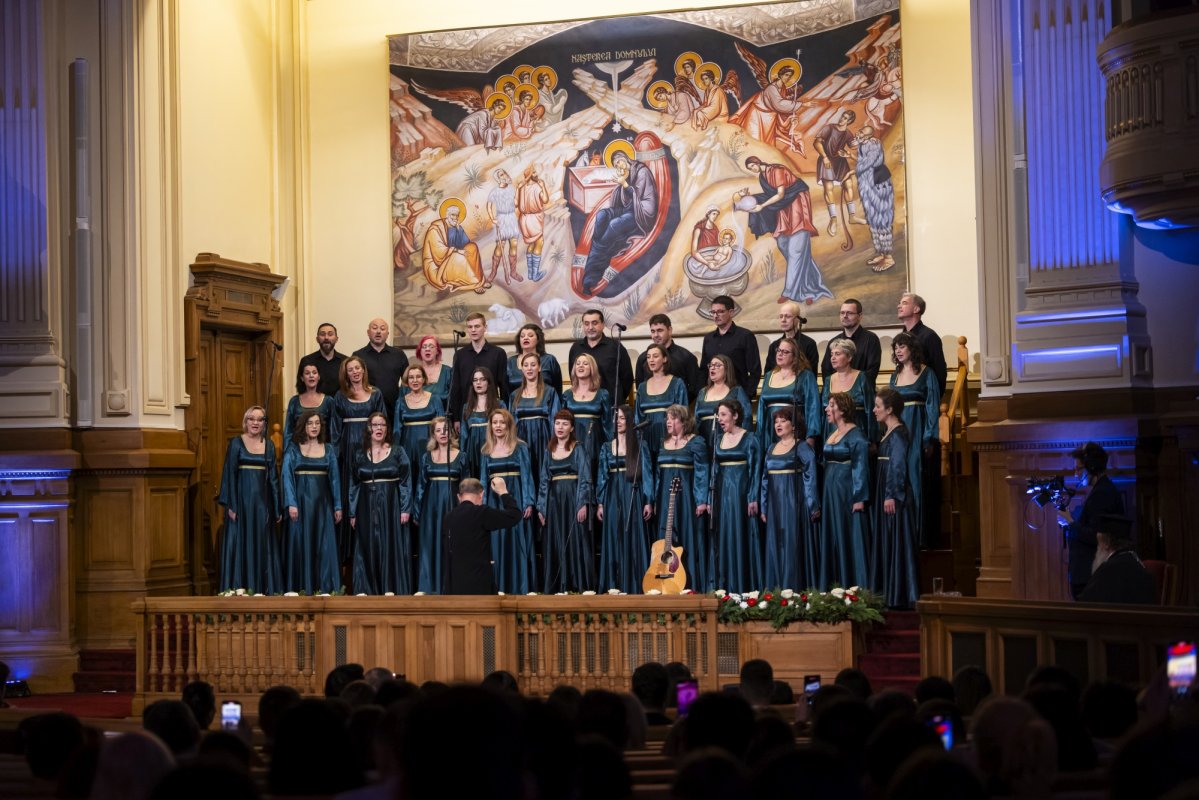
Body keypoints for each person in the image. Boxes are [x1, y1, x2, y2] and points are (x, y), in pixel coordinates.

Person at [738, 156, 831, 305]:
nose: (752, 169)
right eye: (750, 169)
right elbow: (770, 196)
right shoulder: (763, 176)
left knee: (796, 251)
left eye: (752, 166)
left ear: (758, 162)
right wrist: (749, 198)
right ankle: (811, 288)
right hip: (783, 208)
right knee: (786, 246)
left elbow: (780, 194)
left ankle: (790, 292)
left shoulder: (777, 170)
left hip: (796, 205)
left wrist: (762, 206)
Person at [646, 405, 712, 592]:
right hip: (666, 500)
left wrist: (701, 500)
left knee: (687, 539)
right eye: (667, 418)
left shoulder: (696, 442)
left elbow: (702, 471)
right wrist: (655, 500)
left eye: (673, 418)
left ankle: (690, 584)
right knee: (666, 542)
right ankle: (665, 584)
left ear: (684, 421)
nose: (668, 421)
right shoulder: (662, 443)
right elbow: (658, 475)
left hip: (688, 501)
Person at [218, 405, 282, 593]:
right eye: (252, 419)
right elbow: (229, 474)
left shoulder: (269, 445)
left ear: (264, 423)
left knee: (263, 546)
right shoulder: (236, 443)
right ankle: (240, 591)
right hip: (241, 506)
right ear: (245, 422)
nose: (256, 423)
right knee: (241, 546)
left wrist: (277, 507)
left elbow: (274, 480)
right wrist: (231, 504)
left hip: (263, 506)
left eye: (260, 419)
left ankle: (264, 590)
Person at [348, 411, 413, 595]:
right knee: (367, 544)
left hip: (391, 505)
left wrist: (405, 508)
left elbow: (406, 481)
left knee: (389, 544)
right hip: (365, 505)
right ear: (369, 428)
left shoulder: (398, 452)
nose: (378, 428)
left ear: (387, 429)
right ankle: (366, 588)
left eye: (382, 425)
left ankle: (390, 587)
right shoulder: (360, 454)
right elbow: (353, 483)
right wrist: (352, 512)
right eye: (375, 425)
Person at [330, 356, 386, 567]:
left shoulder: (376, 393)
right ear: (345, 373)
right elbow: (335, 429)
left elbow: (382, 422)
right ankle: (349, 552)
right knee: (349, 495)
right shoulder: (340, 396)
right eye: (350, 369)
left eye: (357, 368)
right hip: (347, 451)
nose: (354, 372)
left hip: (370, 448)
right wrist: (336, 457)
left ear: (363, 370)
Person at [580, 150, 658, 296]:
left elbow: (639, 197)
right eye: (616, 165)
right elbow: (623, 200)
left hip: (641, 213)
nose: (619, 166)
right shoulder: (625, 173)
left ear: (627, 159)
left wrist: (625, 184)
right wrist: (622, 185)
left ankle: (590, 279)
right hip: (628, 209)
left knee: (613, 225)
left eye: (620, 162)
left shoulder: (642, 172)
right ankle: (598, 247)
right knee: (602, 215)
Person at [281, 409, 342, 594]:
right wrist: (291, 503)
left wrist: (338, 505)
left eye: (317, 423)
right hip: (300, 504)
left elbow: (334, 479)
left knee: (324, 546)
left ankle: (325, 589)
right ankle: (301, 589)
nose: (314, 427)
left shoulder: (328, 448)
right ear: (303, 426)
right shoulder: (293, 448)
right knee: (301, 544)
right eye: (310, 423)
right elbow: (286, 477)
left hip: (322, 505)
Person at [888, 332, 940, 548]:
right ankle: (900, 533)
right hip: (898, 432)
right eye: (896, 348)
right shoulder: (895, 375)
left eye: (902, 347)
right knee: (897, 476)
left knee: (914, 477)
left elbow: (932, 406)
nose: (898, 351)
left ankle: (917, 534)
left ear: (912, 349)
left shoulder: (927, 374)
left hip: (917, 430)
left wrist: (929, 436)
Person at [759, 408, 819, 589]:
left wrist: (812, 504)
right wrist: (763, 505)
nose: (778, 424)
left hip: (793, 501)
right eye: (776, 421)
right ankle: (776, 589)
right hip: (774, 504)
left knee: (791, 544)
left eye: (783, 420)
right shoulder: (771, 447)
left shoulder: (801, 447)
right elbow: (764, 478)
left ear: (793, 425)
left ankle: (792, 588)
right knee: (775, 544)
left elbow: (811, 476)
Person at [478, 408, 537, 594]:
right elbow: (483, 480)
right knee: (498, 543)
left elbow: (527, 475)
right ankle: (499, 588)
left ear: (509, 425)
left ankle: (519, 588)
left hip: (516, 497)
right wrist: (483, 506)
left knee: (517, 541)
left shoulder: (520, 447)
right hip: (495, 504)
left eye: (502, 422)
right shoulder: (486, 451)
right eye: (495, 422)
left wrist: (528, 501)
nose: (498, 426)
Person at [870, 388, 919, 609]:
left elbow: (898, 467)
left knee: (896, 540)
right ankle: (889, 591)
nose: (874, 410)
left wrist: (891, 495)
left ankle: (899, 594)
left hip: (894, 495)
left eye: (878, 406)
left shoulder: (898, 433)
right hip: (885, 490)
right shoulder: (888, 432)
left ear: (890, 410)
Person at [537, 410, 595, 593]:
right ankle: (557, 586)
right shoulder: (549, 450)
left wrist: (582, 504)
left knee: (576, 541)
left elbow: (585, 478)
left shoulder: (578, 448)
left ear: (571, 428)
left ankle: (577, 585)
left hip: (573, 500)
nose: (560, 427)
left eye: (564, 424)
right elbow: (544, 480)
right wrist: (541, 508)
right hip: (554, 504)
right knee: (556, 540)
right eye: (557, 423)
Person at [596, 405, 653, 593]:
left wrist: (648, 500)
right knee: (614, 537)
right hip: (612, 496)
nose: (618, 421)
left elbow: (647, 474)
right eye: (615, 418)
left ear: (629, 420)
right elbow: (602, 476)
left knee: (633, 537)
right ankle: (614, 585)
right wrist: (601, 502)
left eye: (621, 418)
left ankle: (636, 585)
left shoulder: (640, 444)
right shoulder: (606, 446)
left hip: (633, 495)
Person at [1058, 442, 1125, 598]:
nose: (1076, 474)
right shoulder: (1102, 489)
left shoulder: (1102, 493)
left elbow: (1097, 536)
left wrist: (1070, 522)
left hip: (1090, 575)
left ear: (1092, 467)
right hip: (1089, 574)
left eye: (1078, 469)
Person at [818, 393, 871, 590]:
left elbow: (860, 467)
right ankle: (834, 584)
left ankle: (854, 585)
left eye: (831, 405)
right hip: (831, 491)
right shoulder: (832, 433)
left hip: (847, 491)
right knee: (833, 534)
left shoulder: (856, 435)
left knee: (847, 533)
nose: (826, 409)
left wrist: (859, 497)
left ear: (842, 410)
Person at [711, 400, 762, 592]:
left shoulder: (750, 439)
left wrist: (752, 496)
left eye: (723, 414)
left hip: (741, 495)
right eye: (718, 415)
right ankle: (725, 588)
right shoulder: (718, 439)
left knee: (741, 536)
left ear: (735, 416)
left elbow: (755, 469)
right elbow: (714, 472)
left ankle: (745, 588)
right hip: (723, 495)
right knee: (724, 538)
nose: (720, 419)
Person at [443, 477, 522, 595]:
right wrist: (503, 492)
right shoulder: (482, 513)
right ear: (482, 494)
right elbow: (514, 515)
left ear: (459, 497)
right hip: (480, 587)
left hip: (455, 588)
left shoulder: (449, 517)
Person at [415, 417, 466, 594]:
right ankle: (429, 587)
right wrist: (417, 510)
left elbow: (466, 486)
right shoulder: (426, 457)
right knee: (430, 543)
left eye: (445, 430)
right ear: (433, 434)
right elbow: (421, 485)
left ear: (451, 432)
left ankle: (452, 587)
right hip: (431, 506)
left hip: (453, 505)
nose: (443, 433)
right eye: (438, 430)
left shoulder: (461, 456)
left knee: (452, 543)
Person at [509, 351, 561, 491]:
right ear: (522, 368)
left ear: (539, 368)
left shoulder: (550, 392)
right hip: (521, 442)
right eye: (526, 365)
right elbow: (511, 423)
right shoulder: (515, 395)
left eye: (533, 365)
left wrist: (554, 445)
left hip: (543, 441)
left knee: (543, 478)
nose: (529, 368)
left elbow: (555, 420)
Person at [757, 337, 820, 453]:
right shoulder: (768, 376)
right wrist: (760, 435)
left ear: (795, 356)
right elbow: (761, 407)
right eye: (779, 350)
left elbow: (813, 407)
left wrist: (811, 436)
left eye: (785, 352)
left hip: (794, 430)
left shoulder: (805, 376)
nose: (780, 354)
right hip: (770, 430)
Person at [447, 312, 510, 429]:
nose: (473, 330)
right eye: (470, 327)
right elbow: (455, 388)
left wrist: (506, 414)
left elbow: (504, 386)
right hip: (467, 413)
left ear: (485, 328)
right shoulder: (460, 355)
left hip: (492, 412)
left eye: (477, 326)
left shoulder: (498, 353)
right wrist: (456, 418)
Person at [1078, 516, 1156, 604]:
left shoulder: (1107, 570)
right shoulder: (1135, 560)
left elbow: (1085, 605)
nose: (1097, 550)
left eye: (1098, 544)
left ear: (1106, 543)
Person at [812, 109, 864, 237]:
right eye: (842, 116)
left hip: (840, 162)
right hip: (827, 160)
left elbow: (852, 146)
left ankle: (852, 216)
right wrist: (824, 157)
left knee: (848, 185)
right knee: (828, 188)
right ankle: (833, 219)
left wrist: (859, 141)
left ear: (849, 121)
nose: (842, 119)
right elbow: (817, 142)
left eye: (846, 118)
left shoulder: (847, 133)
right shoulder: (829, 128)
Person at [700, 295, 762, 398]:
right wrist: (704, 395)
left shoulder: (745, 336)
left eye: (720, 311)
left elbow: (755, 371)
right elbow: (703, 370)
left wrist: (746, 396)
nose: (716, 316)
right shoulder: (708, 338)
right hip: (713, 396)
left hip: (738, 396)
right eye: (713, 312)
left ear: (731, 312)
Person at [634, 343, 689, 460]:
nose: (651, 360)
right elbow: (638, 417)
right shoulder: (642, 387)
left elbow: (683, 414)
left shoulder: (677, 384)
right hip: (647, 438)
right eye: (648, 357)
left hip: (669, 436)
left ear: (664, 359)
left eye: (655, 356)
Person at [421, 200, 488, 293]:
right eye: (453, 215)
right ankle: (474, 284)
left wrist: (459, 231)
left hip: (453, 255)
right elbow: (438, 253)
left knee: (472, 247)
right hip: (440, 263)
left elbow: (465, 243)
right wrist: (457, 251)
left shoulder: (457, 227)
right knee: (458, 258)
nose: (455, 217)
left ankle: (479, 279)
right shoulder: (435, 229)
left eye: (457, 215)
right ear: (447, 215)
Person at [568, 309, 634, 403]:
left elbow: (627, 378)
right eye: (586, 324)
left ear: (603, 325)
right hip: (585, 405)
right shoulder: (576, 348)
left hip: (611, 405)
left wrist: (618, 399)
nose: (590, 327)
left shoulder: (616, 347)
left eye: (594, 323)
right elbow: (573, 376)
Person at [854, 126, 896, 271]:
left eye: (861, 132)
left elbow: (867, 164)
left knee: (882, 219)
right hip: (868, 186)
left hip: (878, 185)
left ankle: (888, 257)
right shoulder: (863, 144)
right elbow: (861, 163)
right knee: (873, 220)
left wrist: (854, 170)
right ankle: (881, 253)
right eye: (860, 131)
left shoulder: (873, 144)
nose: (858, 133)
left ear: (867, 135)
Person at [561, 353, 612, 472]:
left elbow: (608, 425)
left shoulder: (603, 394)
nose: (580, 366)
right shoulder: (567, 395)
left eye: (585, 363)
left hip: (595, 444)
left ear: (592, 368)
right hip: (573, 442)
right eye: (578, 364)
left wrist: (609, 449)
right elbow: (561, 422)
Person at [634, 314, 702, 402]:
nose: (656, 335)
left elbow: (695, 388)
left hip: (678, 410)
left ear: (669, 330)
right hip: (650, 409)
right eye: (653, 331)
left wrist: (678, 404)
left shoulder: (686, 357)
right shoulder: (643, 358)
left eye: (660, 330)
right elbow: (640, 388)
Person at [821, 338, 875, 442]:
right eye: (832, 354)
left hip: (857, 431)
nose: (833, 358)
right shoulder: (828, 380)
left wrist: (872, 439)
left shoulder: (862, 377)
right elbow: (823, 413)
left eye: (837, 354)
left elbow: (870, 409)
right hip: (831, 431)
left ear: (849, 357)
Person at [393, 364, 445, 470]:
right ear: (407, 380)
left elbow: (442, 426)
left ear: (424, 379)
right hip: (407, 448)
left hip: (430, 446)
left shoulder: (435, 399)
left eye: (418, 377)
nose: (415, 380)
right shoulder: (400, 402)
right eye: (411, 377)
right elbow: (397, 431)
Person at [820, 299, 882, 386]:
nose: (845, 316)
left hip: (861, 395)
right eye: (842, 313)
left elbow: (872, 371)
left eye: (849, 313)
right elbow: (826, 370)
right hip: (837, 394)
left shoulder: (871, 339)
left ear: (860, 316)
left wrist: (852, 390)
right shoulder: (834, 342)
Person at [694, 354, 753, 445]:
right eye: (711, 365)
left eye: (717, 365)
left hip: (728, 440)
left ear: (727, 369)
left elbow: (746, 416)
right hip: (703, 440)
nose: (712, 368)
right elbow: (696, 419)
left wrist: (742, 440)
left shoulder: (736, 391)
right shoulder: (703, 392)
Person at [354, 318, 409, 414]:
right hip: (366, 409)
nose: (378, 331)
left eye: (382, 329)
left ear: (387, 334)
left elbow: (408, 381)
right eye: (374, 328)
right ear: (368, 332)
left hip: (394, 408)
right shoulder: (358, 356)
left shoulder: (398, 354)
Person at [897, 292, 947, 395]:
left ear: (916, 309)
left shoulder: (929, 336)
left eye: (904, 303)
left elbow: (940, 370)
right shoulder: (901, 337)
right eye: (899, 303)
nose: (899, 306)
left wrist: (934, 399)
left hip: (923, 397)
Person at [459, 366, 502, 477]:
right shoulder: (466, 407)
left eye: (482, 379)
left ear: (489, 382)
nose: (478, 383)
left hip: (493, 450)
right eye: (475, 380)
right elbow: (464, 435)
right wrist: (463, 457)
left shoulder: (499, 405)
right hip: (473, 453)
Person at [506, 323, 562, 399]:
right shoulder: (510, 362)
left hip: (545, 406)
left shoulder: (549, 360)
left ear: (538, 339)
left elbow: (557, 389)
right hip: (516, 407)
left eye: (530, 335)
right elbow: (506, 391)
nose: (525, 338)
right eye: (522, 336)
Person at [486, 168, 522, 285]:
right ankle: (493, 273)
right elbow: (489, 205)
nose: (505, 175)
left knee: (514, 244)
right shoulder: (495, 191)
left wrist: (519, 191)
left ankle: (513, 272)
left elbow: (516, 204)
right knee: (499, 246)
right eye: (502, 174)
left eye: (505, 173)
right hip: (501, 219)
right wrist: (492, 218)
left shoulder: (512, 189)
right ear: (498, 178)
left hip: (511, 218)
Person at [765, 301, 819, 377]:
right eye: (781, 316)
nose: (783, 320)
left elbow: (812, 374)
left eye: (788, 316)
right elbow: (768, 374)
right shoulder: (774, 345)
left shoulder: (809, 344)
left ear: (798, 318)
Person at [284, 362, 334, 444]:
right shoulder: (294, 401)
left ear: (319, 377)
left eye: (314, 373)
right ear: (302, 378)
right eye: (307, 373)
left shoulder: (329, 401)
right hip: (298, 451)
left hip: (323, 450)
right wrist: (288, 453)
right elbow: (288, 432)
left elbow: (333, 431)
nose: (311, 375)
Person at [515, 165, 550, 281]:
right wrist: (543, 186)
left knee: (531, 244)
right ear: (530, 176)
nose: (537, 175)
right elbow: (545, 200)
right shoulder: (536, 187)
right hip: (534, 219)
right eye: (534, 173)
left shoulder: (522, 188)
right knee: (539, 242)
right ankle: (535, 275)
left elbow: (516, 203)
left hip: (524, 219)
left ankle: (530, 274)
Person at [297, 322, 346, 397]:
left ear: (336, 339)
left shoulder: (345, 361)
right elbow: (301, 386)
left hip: (340, 407)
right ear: (317, 339)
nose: (326, 337)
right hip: (315, 407)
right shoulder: (307, 360)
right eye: (322, 334)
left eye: (330, 334)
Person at [410, 334, 451, 403]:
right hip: (417, 413)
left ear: (437, 351)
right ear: (420, 351)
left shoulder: (448, 372)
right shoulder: (412, 372)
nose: (427, 349)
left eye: (431, 347)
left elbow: (453, 398)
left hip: (441, 413)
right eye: (424, 347)